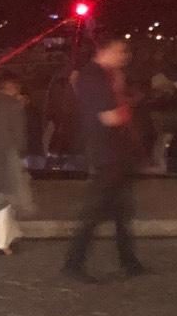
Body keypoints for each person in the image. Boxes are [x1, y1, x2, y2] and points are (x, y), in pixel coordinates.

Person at [62, 35, 148, 283]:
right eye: (120, 51)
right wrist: (127, 106)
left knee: (122, 214)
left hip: (117, 154)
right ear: (104, 51)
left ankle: (129, 262)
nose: (125, 57)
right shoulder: (93, 77)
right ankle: (73, 264)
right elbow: (109, 117)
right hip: (106, 154)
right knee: (93, 214)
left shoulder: (106, 76)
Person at [0, 73, 35, 255]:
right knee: (7, 196)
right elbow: (19, 133)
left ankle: (12, 233)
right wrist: (22, 152)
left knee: (0, 194)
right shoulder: (14, 105)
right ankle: (2, 242)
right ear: (11, 87)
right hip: (8, 154)